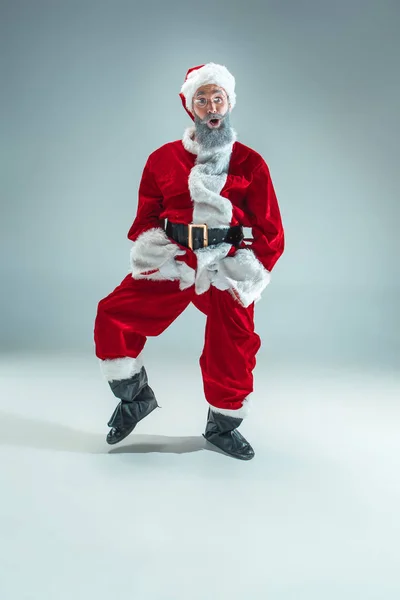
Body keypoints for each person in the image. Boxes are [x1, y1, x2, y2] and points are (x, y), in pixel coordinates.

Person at [94, 62, 284, 460]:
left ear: (229, 103)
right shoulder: (163, 159)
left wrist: (247, 271)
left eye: (219, 98)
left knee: (234, 345)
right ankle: (135, 400)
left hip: (224, 263)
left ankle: (222, 426)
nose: (212, 106)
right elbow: (146, 216)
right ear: (189, 106)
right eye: (202, 99)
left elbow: (271, 229)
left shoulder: (250, 162)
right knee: (113, 314)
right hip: (176, 259)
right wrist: (156, 253)